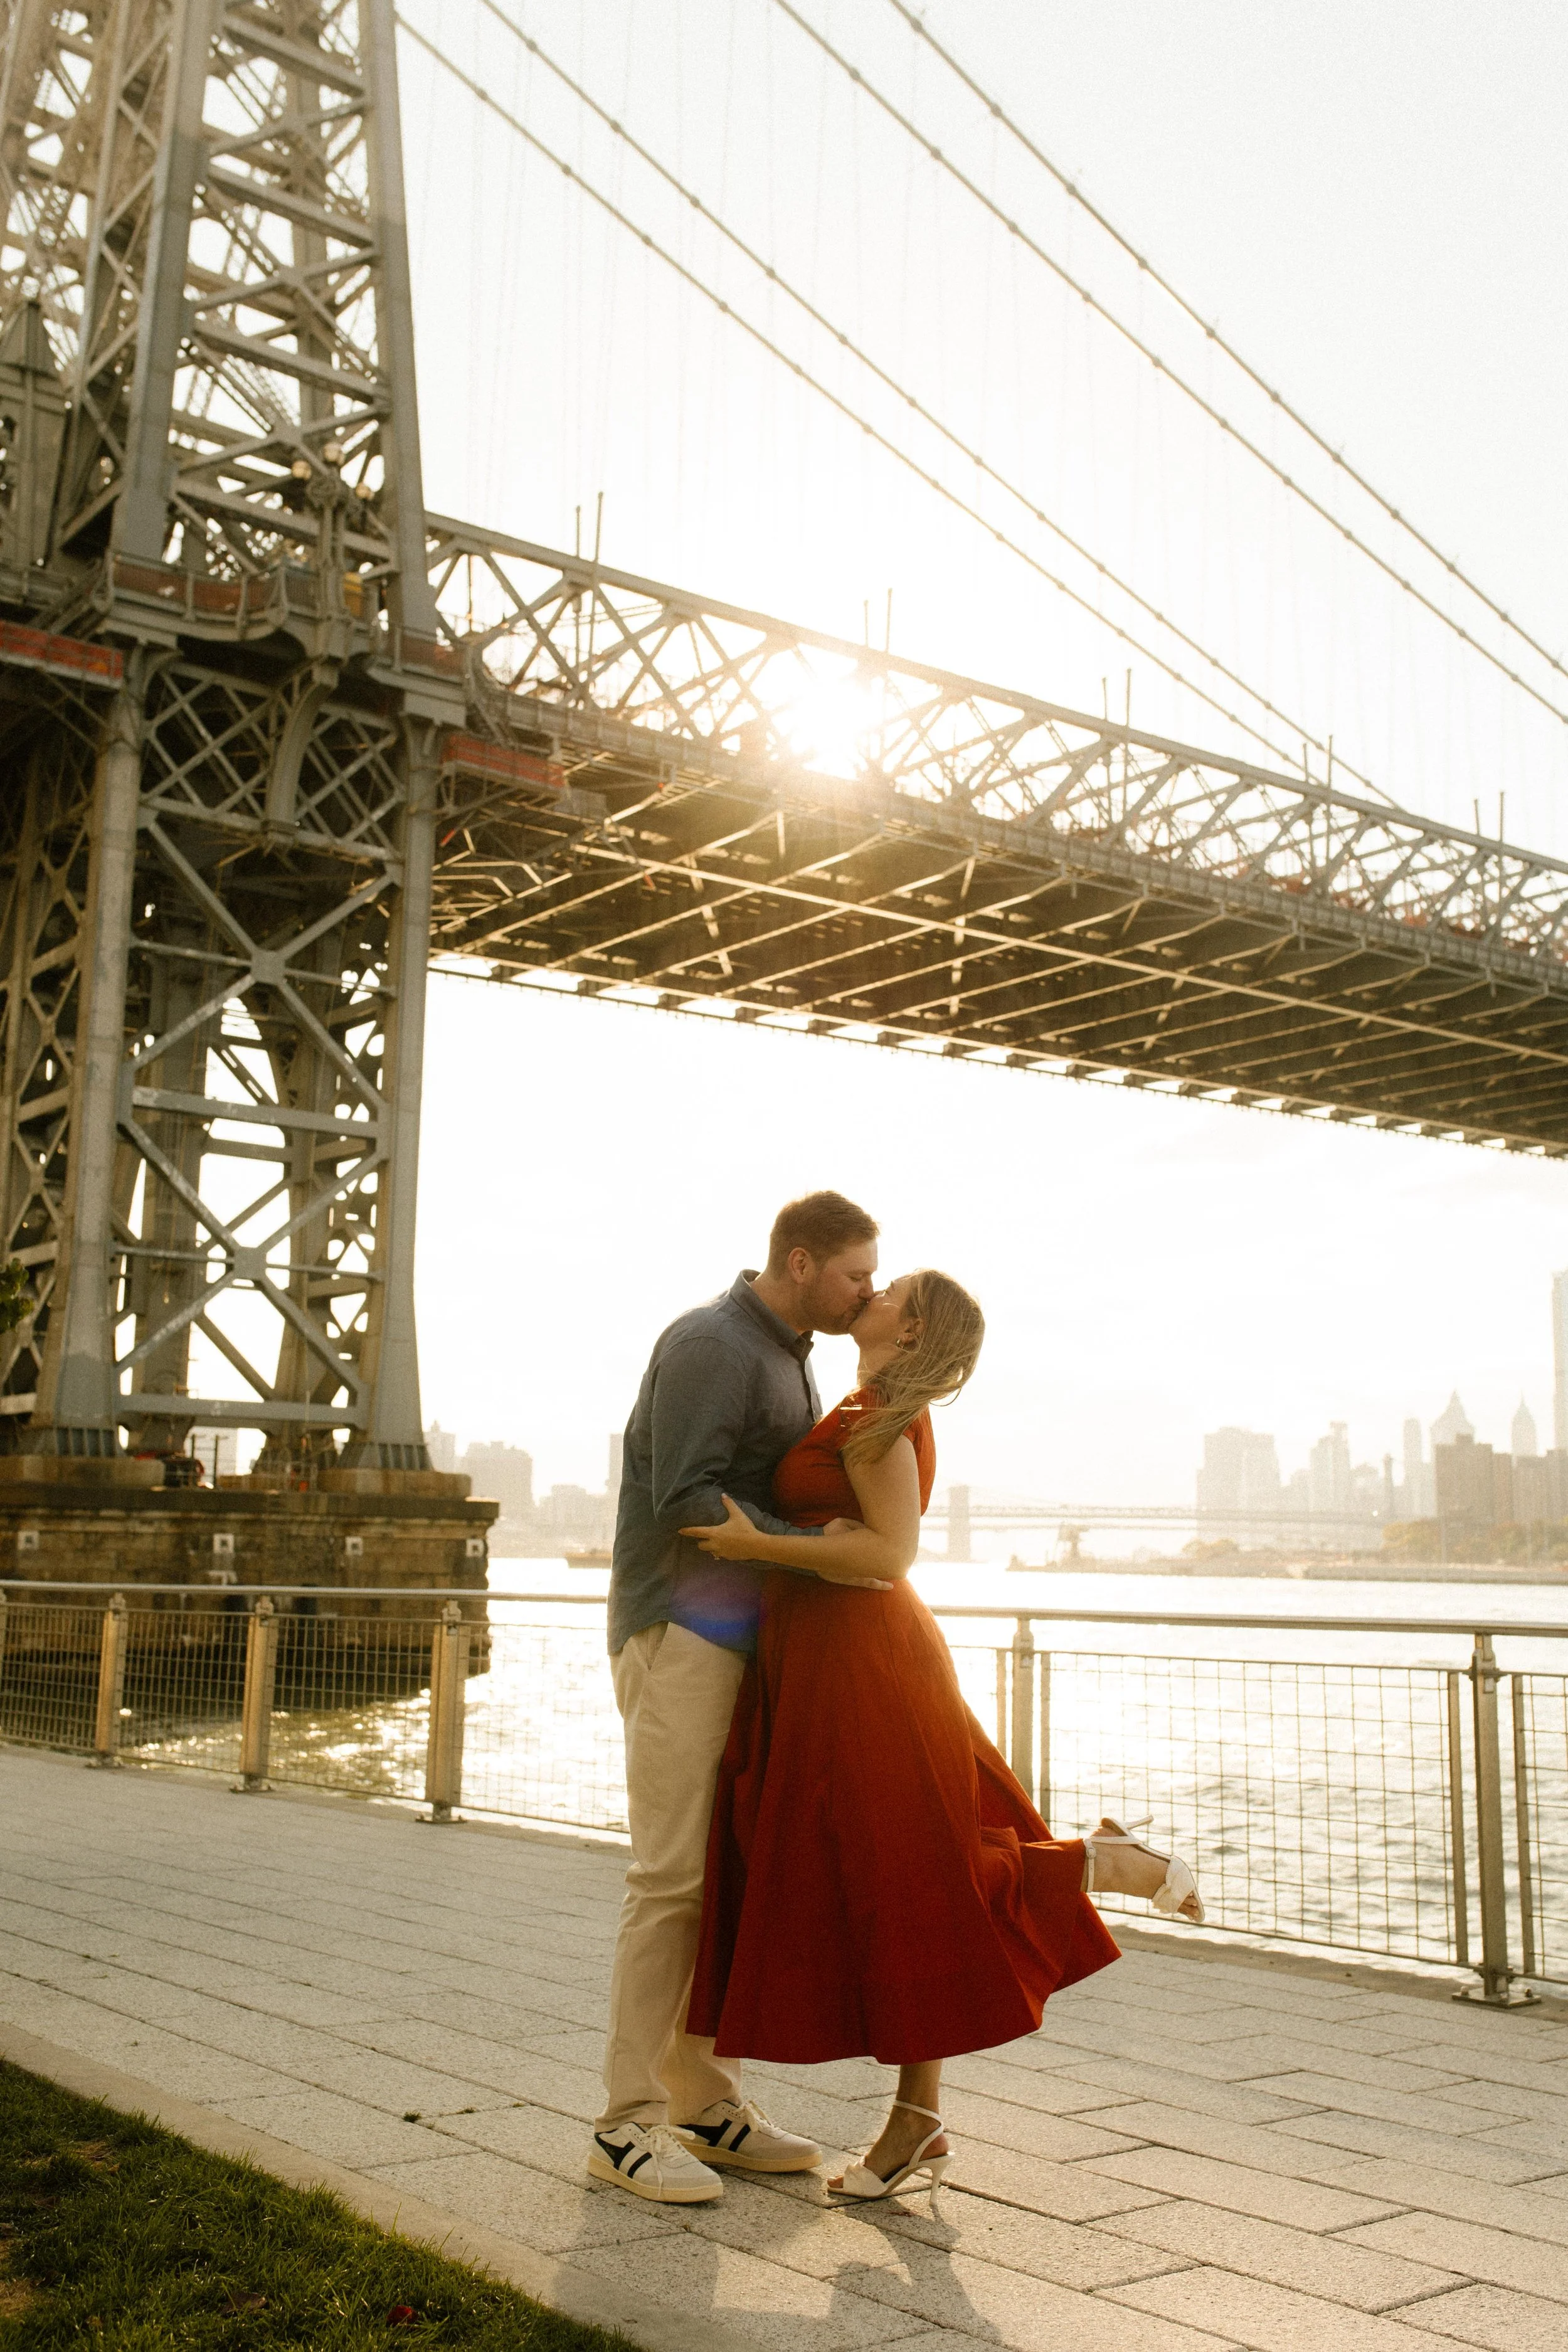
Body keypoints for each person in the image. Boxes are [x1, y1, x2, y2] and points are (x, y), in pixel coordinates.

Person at [683, 1269, 1204, 2199]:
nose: (869, 1292)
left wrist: (755, 1544)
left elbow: (888, 1554)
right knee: (902, 1877)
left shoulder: (883, 1413)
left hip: (866, 1658)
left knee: (915, 1876)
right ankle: (918, 2118)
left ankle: (1099, 1863)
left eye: (887, 1290)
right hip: (833, 1655)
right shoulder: (865, 1402)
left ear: (910, 1325)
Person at [590, 1190, 886, 2205]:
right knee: (669, 1877)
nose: (870, 1291)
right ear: (800, 1263)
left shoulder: (790, 1351)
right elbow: (683, 1495)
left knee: (715, 1880)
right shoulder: (715, 1342)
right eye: (857, 1274)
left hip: (738, 1637)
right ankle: (624, 2127)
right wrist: (817, 1549)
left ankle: (702, 2102)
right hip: (679, 1627)